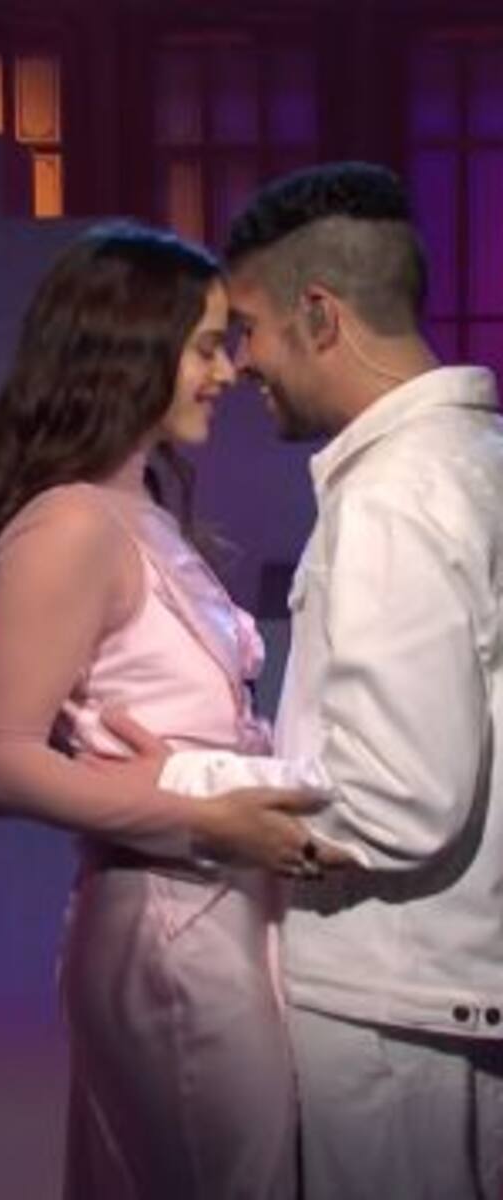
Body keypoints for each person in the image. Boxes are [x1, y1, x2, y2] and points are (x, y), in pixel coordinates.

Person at [0, 221, 341, 1200]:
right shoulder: (71, 524)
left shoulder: (137, 506)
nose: (227, 371)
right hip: (166, 927)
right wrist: (202, 815)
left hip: (214, 909)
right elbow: (0, 754)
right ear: (129, 353)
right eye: (203, 347)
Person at [114, 162, 503, 1197]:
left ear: (321, 316)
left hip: (395, 1010)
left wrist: (184, 782)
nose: (240, 364)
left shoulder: (395, 496)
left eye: (249, 329)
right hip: (442, 990)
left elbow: (402, 799)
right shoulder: (478, 457)